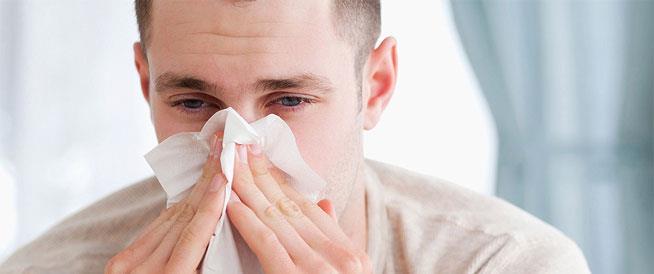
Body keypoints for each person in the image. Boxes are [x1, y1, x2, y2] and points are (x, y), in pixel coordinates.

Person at [0, 0, 590, 273]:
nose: (235, 151)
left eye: (290, 100)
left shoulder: (510, 265)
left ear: (376, 87)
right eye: (192, 102)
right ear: (145, 84)